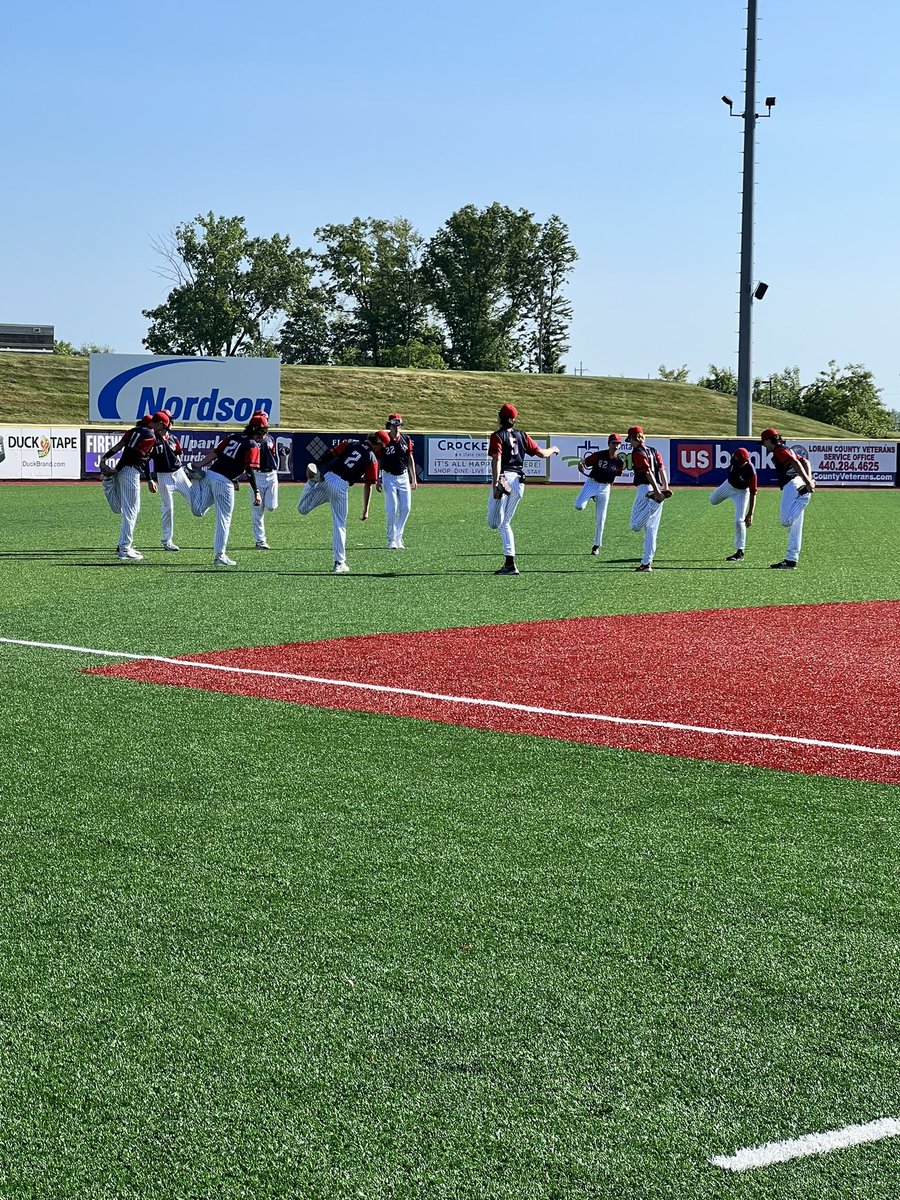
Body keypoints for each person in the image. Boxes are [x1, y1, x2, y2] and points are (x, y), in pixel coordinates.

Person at [298, 432, 387, 573]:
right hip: (340, 486)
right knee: (339, 524)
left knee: (302, 509)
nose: (381, 449)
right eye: (382, 446)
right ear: (378, 443)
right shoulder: (372, 459)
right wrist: (365, 511)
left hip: (326, 477)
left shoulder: (351, 442)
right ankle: (339, 563)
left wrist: (318, 466)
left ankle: (311, 481)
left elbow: (330, 454)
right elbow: (368, 485)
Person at [487, 403, 559, 575]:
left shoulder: (497, 435)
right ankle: (510, 564)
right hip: (519, 481)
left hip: (504, 478)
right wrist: (554, 449)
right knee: (504, 523)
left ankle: (510, 564)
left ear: (501, 418)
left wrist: (497, 483)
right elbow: (541, 453)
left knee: (494, 523)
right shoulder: (522, 435)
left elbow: (497, 459)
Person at [188, 416, 263, 566]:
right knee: (224, 519)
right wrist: (256, 490)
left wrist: (200, 465)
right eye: (264, 430)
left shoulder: (234, 437)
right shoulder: (252, 444)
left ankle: (194, 479)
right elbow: (249, 470)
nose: (265, 434)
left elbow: (216, 453)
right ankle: (220, 556)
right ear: (258, 430)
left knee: (198, 511)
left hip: (211, 474)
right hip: (224, 481)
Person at [100, 414, 161, 561]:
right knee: (131, 511)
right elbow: (139, 457)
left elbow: (120, 447)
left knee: (121, 509)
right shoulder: (149, 435)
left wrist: (105, 458)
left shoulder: (133, 431)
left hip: (123, 469)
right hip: (130, 471)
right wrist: (149, 478)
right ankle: (124, 548)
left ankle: (108, 481)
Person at [760, 428, 816, 568]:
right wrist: (808, 478)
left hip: (792, 485)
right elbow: (806, 462)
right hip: (797, 484)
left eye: (764, 442)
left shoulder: (779, 450)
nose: (764, 445)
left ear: (768, 440)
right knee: (794, 527)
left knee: (785, 521)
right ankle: (791, 560)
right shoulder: (786, 448)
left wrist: (808, 482)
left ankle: (805, 496)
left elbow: (796, 463)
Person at [627, 425, 672, 573]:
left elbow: (647, 471)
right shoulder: (653, 450)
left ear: (634, 438)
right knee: (651, 530)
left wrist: (658, 493)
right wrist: (664, 487)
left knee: (635, 525)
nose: (630, 443)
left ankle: (654, 502)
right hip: (657, 489)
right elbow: (661, 469)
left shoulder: (638, 452)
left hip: (646, 490)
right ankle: (647, 563)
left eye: (630, 440)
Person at [574, 433, 625, 554]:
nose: (616, 445)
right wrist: (580, 464)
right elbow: (584, 462)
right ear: (609, 444)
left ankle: (597, 545)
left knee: (601, 517)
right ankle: (592, 496)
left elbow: (617, 474)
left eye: (618, 443)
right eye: (614, 443)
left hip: (605, 487)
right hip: (592, 483)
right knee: (579, 506)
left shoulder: (620, 461)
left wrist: (609, 484)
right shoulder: (600, 455)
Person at [150, 409, 193, 551]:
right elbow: (146, 459)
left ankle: (207, 488)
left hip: (178, 473)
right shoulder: (153, 439)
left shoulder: (173, 438)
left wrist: (183, 470)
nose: (171, 422)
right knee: (168, 508)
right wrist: (151, 479)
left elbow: (179, 454)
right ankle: (167, 540)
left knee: (196, 502)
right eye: (169, 419)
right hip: (163, 476)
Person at [709, 447, 757, 561]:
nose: (736, 464)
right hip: (728, 486)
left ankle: (740, 552)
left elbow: (753, 493)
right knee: (712, 500)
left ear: (745, 461)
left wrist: (750, 513)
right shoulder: (733, 460)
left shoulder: (751, 471)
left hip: (741, 492)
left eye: (739, 463)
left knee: (739, 520)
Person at [377, 413, 417, 549]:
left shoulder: (406, 439)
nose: (397, 428)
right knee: (392, 507)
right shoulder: (384, 440)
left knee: (406, 508)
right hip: (389, 476)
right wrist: (378, 478)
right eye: (394, 425)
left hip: (403, 475)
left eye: (399, 425)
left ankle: (398, 536)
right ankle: (391, 539)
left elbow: (410, 458)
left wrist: (414, 478)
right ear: (389, 426)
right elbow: (379, 461)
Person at [245, 410, 279, 550]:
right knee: (257, 511)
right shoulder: (249, 441)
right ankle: (260, 541)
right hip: (257, 476)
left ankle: (260, 538)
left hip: (271, 475)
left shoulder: (270, 438)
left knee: (271, 507)